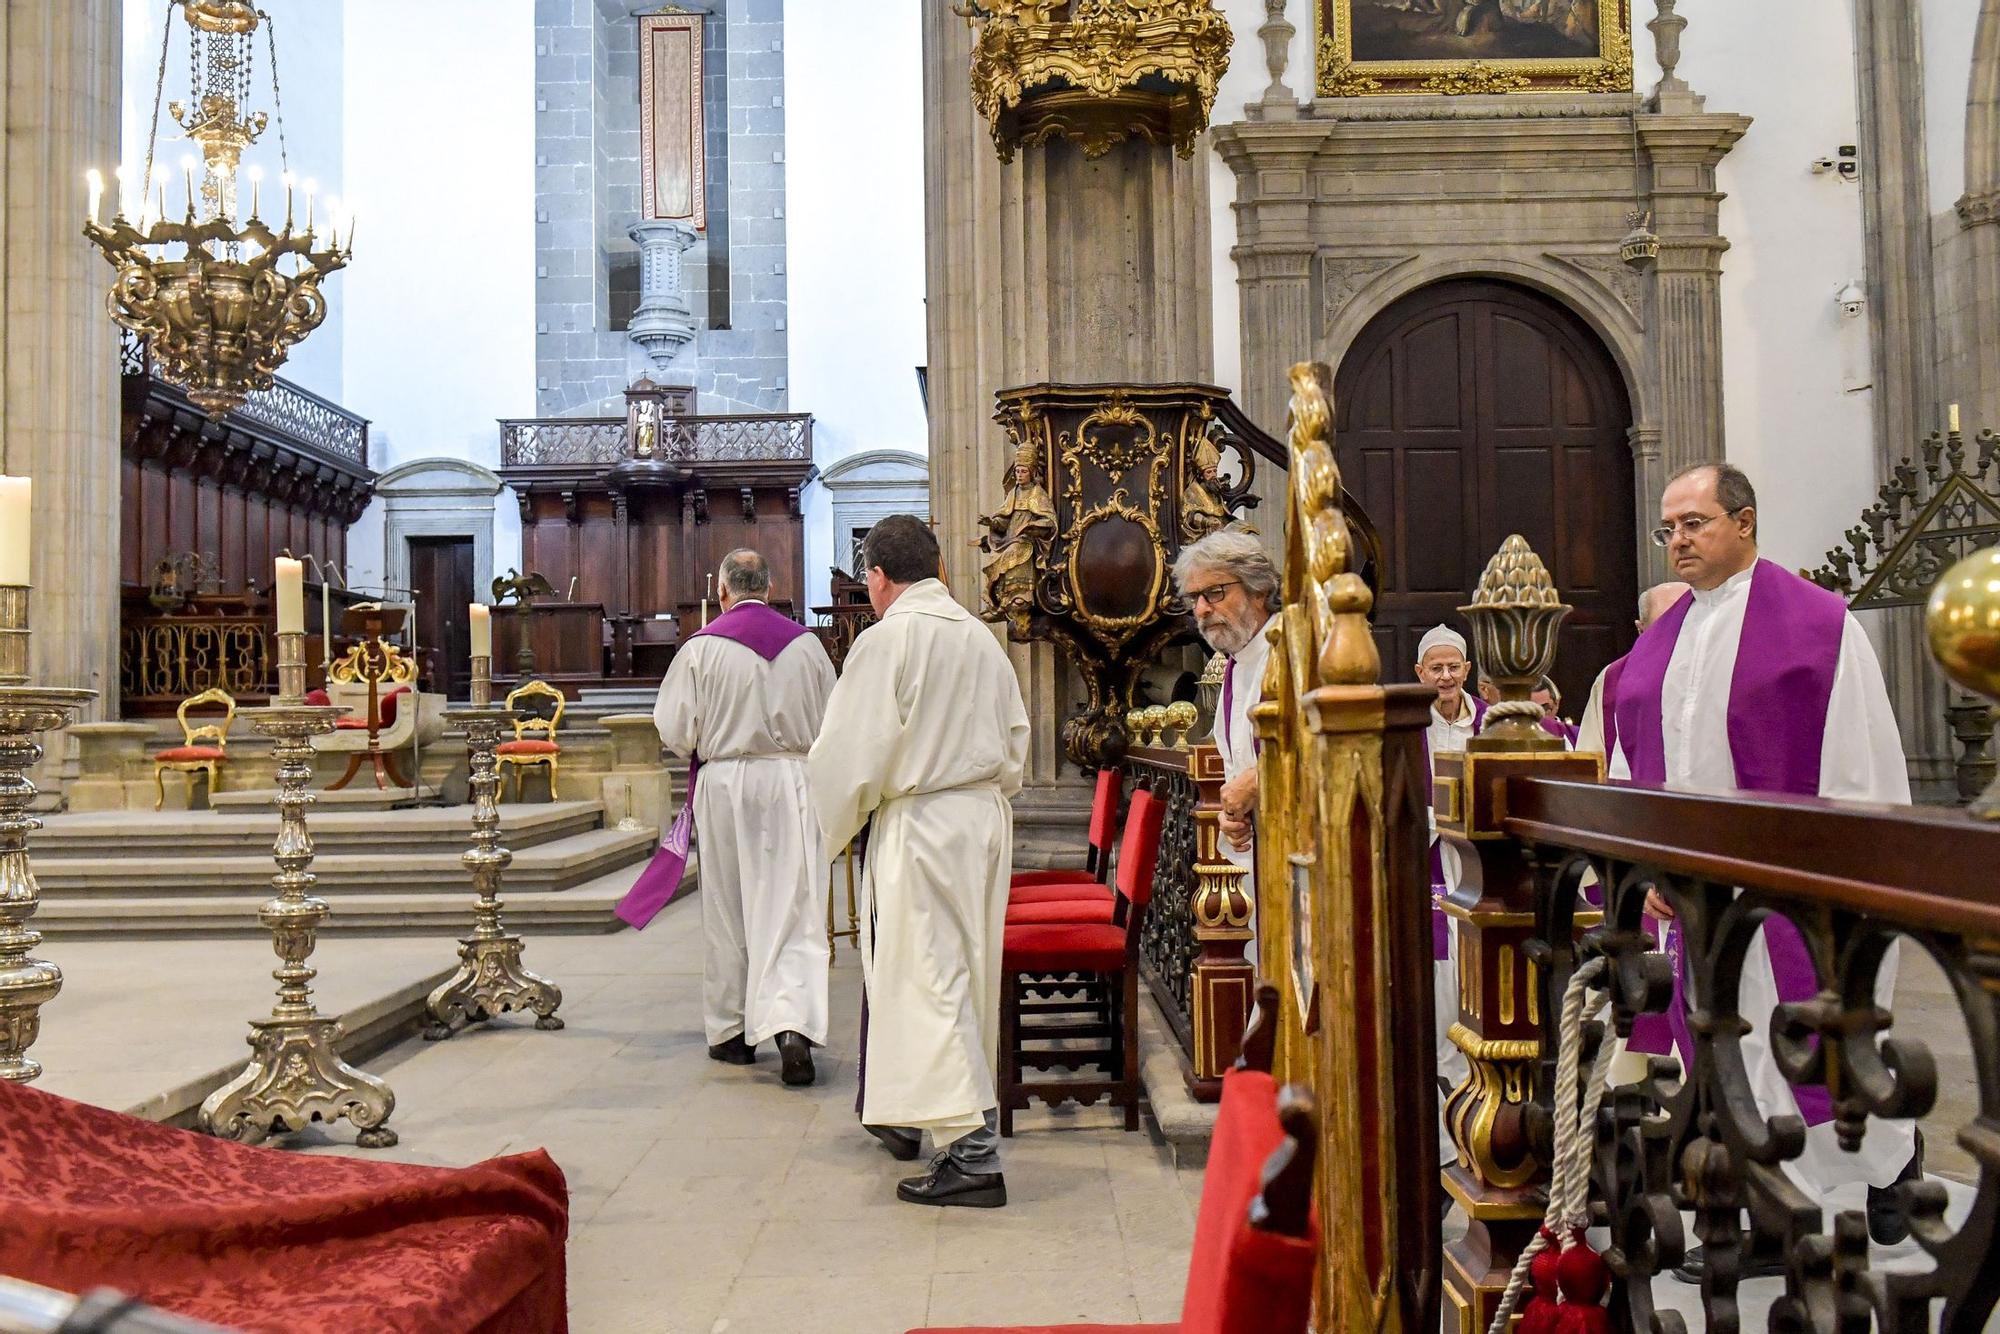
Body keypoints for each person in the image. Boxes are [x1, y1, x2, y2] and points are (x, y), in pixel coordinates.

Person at [1605, 462, 1921, 1277]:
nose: (1677, 539)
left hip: (1788, 894)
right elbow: (1630, 763)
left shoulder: (1819, 626)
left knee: (1803, 1046)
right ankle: (1758, 1204)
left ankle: (1838, 1199)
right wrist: (1650, 871)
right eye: (1668, 527)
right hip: (1697, 898)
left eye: (1694, 522)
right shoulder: (1662, 642)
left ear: (1744, 523)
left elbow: (1863, 767)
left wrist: (1845, 881)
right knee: (1723, 1049)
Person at [807, 515, 1030, 1209]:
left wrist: (831, 827)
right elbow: (1016, 738)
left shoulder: (888, 641)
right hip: (982, 819)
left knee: (928, 981)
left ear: (876, 576)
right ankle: (961, 1139)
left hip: (924, 824)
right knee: (966, 977)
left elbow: (848, 753)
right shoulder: (980, 638)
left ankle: (974, 1157)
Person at [653, 549, 835, 1087]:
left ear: (723, 591)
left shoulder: (699, 649)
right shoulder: (808, 647)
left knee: (727, 908)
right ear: (773, 587)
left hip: (727, 782)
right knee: (792, 907)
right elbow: (833, 723)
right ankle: (792, 1028)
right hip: (792, 782)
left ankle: (731, 1033)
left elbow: (674, 730)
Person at [1171, 528, 1280, 879]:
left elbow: (1335, 746)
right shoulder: (1237, 661)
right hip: (1260, 855)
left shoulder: (1295, 650)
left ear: (1259, 588)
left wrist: (1260, 781)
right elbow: (1236, 772)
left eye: (1214, 593)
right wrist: (1231, 816)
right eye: (1195, 598)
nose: (1201, 609)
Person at [1574, 581, 1689, 756]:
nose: (1676, 636)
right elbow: (1591, 761)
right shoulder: (1612, 680)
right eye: (1662, 627)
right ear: (1641, 630)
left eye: (1685, 624)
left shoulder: (1723, 668)